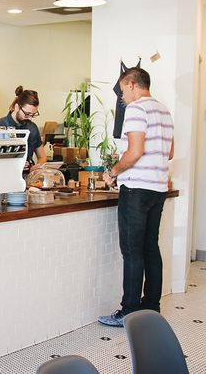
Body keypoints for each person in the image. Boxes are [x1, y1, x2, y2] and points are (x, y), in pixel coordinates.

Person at [98, 67, 174, 327]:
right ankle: (151, 307)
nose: (122, 97)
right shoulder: (163, 109)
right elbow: (170, 152)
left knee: (132, 252)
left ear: (131, 84)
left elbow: (135, 151)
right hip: (158, 188)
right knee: (150, 248)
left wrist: (113, 172)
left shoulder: (136, 109)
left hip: (137, 189)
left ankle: (129, 311)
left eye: (122, 91)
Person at [0, 86, 46, 171]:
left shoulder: (32, 128)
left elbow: (42, 157)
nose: (30, 118)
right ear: (17, 107)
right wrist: (14, 164)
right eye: (27, 114)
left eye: (33, 115)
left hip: (26, 178)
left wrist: (39, 165)